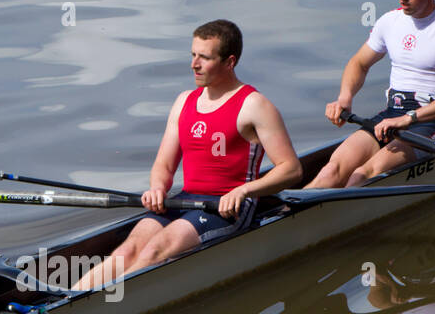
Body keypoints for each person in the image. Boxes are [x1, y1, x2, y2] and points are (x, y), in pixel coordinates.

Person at [72, 20, 302, 290]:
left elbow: (291, 169)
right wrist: (158, 188)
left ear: (229, 62)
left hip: (228, 207)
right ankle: (67, 299)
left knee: (155, 250)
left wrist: (244, 191)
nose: (194, 64)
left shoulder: (255, 105)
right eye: (193, 55)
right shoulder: (184, 101)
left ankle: (100, 306)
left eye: (204, 58)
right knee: (127, 251)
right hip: (186, 199)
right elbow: (164, 164)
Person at [307, 0, 435, 189]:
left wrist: (409, 118)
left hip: (429, 122)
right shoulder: (389, 21)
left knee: (362, 175)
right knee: (330, 171)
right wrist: (345, 97)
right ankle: (286, 219)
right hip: (390, 115)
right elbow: (359, 63)